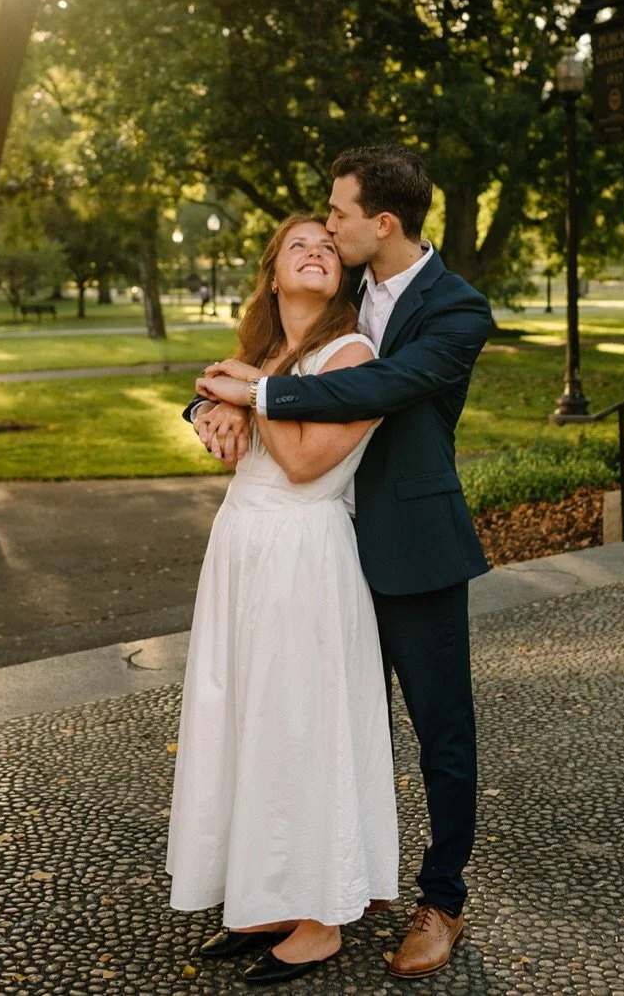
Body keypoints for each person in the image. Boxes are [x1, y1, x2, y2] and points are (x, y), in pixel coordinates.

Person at [191, 145, 493, 981]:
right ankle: (322, 884)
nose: (325, 226)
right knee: (316, 726)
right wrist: (206, 402)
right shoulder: (344, 286)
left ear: (381, 222)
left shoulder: (460, 312)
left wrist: (250, 393)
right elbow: (277, 339)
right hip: (315, 550)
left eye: (339, 214)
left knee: (442, 734)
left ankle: (444, 902)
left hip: (410, 546)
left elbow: (368, 389)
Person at [166, 213, 399, 986]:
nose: (315, 251)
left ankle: (322, 913)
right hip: (241, 549)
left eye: (329, 246)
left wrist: (244, 393)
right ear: (272, 274)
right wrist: (213, 405)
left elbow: (302, 463)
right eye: (298, 244)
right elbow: (215, 388)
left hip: (305, 554)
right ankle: (265, 898)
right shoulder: (264, 355)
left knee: (302, 723)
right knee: (244, 720)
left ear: (343, 276)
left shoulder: (354, 354)